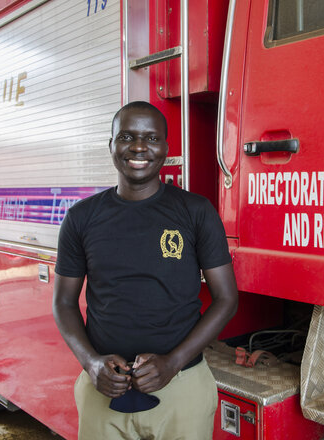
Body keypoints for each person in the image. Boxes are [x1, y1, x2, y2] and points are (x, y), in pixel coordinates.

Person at [52, 101, 238, 439]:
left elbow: (226, 299)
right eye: (126, 136)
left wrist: (173, 362)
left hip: (182, 388)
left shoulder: (195, 212)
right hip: (103, 389)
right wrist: (91, 363)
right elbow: (64, 302)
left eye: (151, 138)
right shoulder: (81, 218)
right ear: (111, 145)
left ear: (166, 148)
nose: (139, 147)